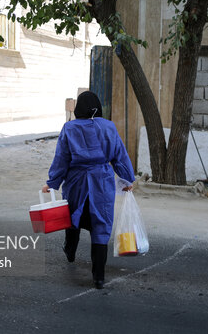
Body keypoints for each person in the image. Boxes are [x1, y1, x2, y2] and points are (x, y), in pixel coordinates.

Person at [42, 91, 135, 289]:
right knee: (101, 226)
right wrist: (127, 178)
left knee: (73, 216)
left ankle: (70, 250)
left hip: (76, 182)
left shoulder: (69, 128)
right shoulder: (108, 127)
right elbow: (119, 155)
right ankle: (98, 277)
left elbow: (62, 158)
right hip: (101, 182)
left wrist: (52, 182)